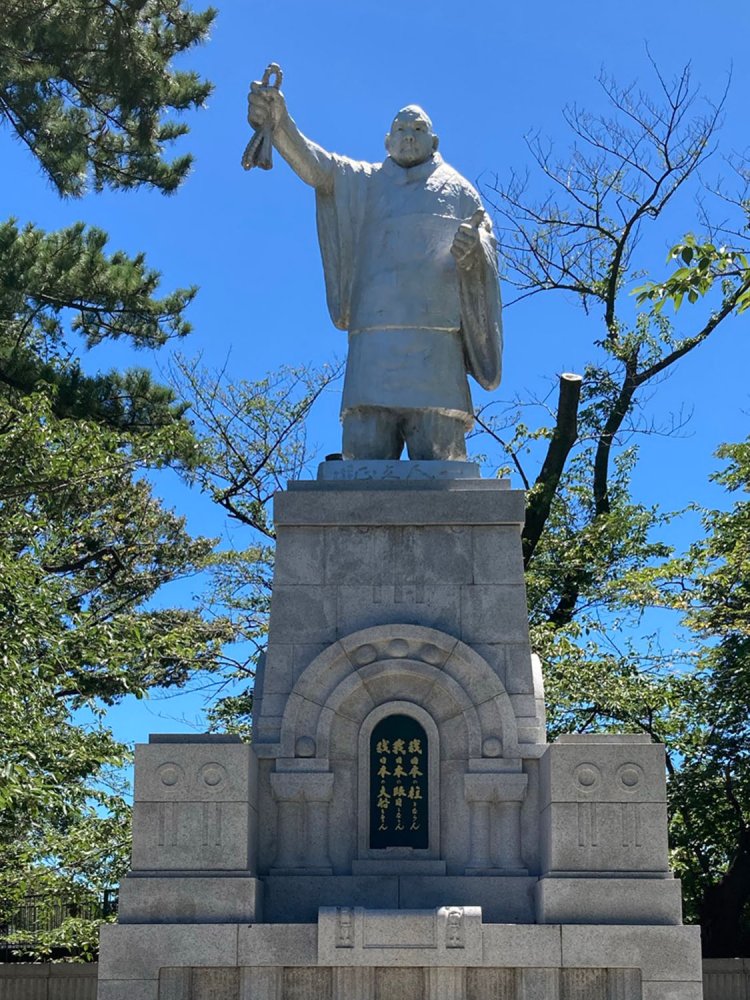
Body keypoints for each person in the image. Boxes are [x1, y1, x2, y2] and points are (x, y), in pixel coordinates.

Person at [247, 84, 502, 462]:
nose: (409, 136)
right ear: (387, 140)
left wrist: (475, 251)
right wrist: (281, 124)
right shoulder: (365, 182)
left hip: (437, 348)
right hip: (373, 344)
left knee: (442, 458)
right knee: (363, 452)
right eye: (401, 129)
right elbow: (319, 168)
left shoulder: (460, 190)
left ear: (434, 140)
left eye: (417, 129)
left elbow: (485, 242)